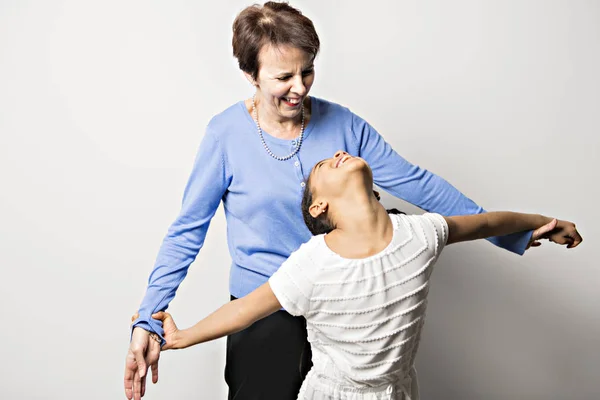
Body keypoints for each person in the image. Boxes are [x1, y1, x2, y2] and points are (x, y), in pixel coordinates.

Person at [123, 2, 583, 400]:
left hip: (343, 311)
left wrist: (515, 232)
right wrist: (149, 318)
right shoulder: (224, 135)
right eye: (284, 76)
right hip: (263, 310)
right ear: (250, 75)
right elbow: (188, 230)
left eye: (307, 70)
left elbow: (417, 184)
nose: (300, 87)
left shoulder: (342, 125)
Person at [133, 150, 580, 400]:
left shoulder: (422, 233)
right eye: (326, 165)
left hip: (397, 392)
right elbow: (247, 310)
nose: (339, 154)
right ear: (318, 206)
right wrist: (180, 336)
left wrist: (541, 220)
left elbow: (484, 223)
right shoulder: (313, 262)